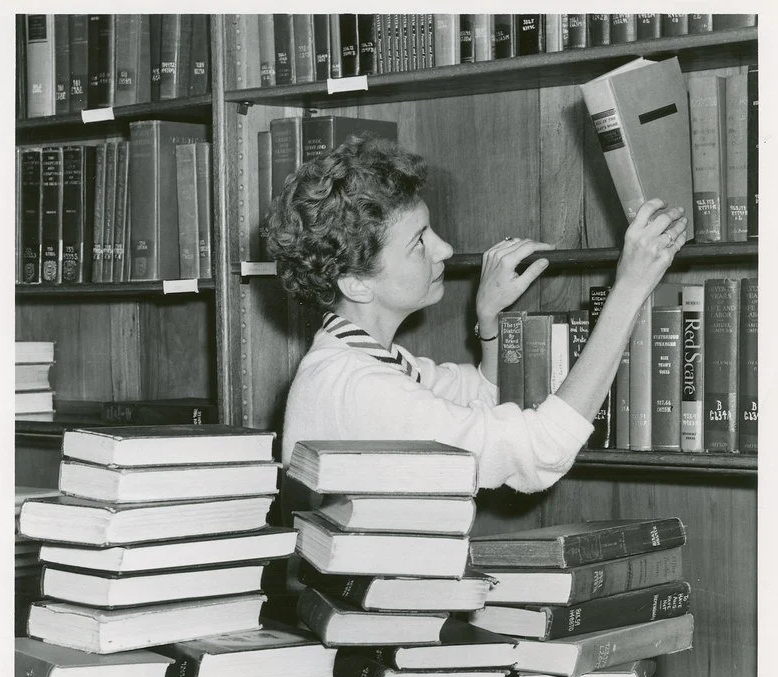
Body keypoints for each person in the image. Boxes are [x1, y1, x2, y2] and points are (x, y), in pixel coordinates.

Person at [267, 134, 687, 496]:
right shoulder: (359, 388)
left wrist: (489, 317)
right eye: (419, 241)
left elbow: (480, 400)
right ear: (356, 283)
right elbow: (541, 451)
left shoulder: (361, 359)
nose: (445, 249)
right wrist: (629, 289)